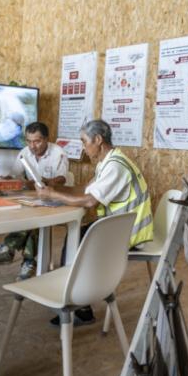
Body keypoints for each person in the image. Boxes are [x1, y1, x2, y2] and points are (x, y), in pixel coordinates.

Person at [37, 119, 153, 326]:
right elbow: (85, 190)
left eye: (84, 141)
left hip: (130, 233)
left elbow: (90, 201)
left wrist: (54, 195)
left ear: (98, 140)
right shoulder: (107, 162)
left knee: (77, 240)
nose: (83, 147)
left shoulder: (115, 166)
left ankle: (77, 304)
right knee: (78, 236)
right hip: (118, 227)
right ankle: (79, 302)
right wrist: (53, 189)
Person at [0, 121, 68, 280]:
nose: (32, 146)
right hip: (35, 199)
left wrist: (42, 181)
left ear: (46, 139)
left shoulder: (58, 153)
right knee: (30, 216)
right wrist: (3, 181)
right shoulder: (25, 152)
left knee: (33, 217)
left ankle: (9, 248)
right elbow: (15, 175)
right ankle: (28, 262)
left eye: (37, 141)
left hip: (56, 199)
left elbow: (61, 180)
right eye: (29, 141)